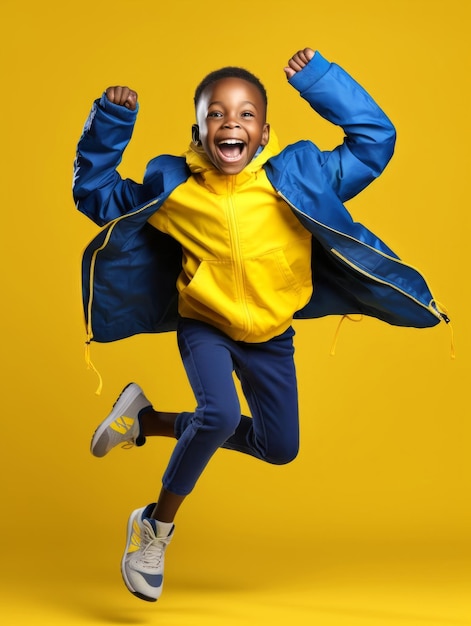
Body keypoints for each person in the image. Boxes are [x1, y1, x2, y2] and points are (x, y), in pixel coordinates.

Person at [73, 48, 445, 603]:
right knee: (220, 414)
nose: (231, 123)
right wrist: (112, 120)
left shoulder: (299, 178)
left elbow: (375, 140)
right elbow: (96, 194)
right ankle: (154, 525)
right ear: (197, 130)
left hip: (272, 335)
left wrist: (321, 81)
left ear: (265, 131)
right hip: (205, 326)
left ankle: (145, 419)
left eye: (246, 114)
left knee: (279, 447)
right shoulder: (174, 189)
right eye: (217, 114)